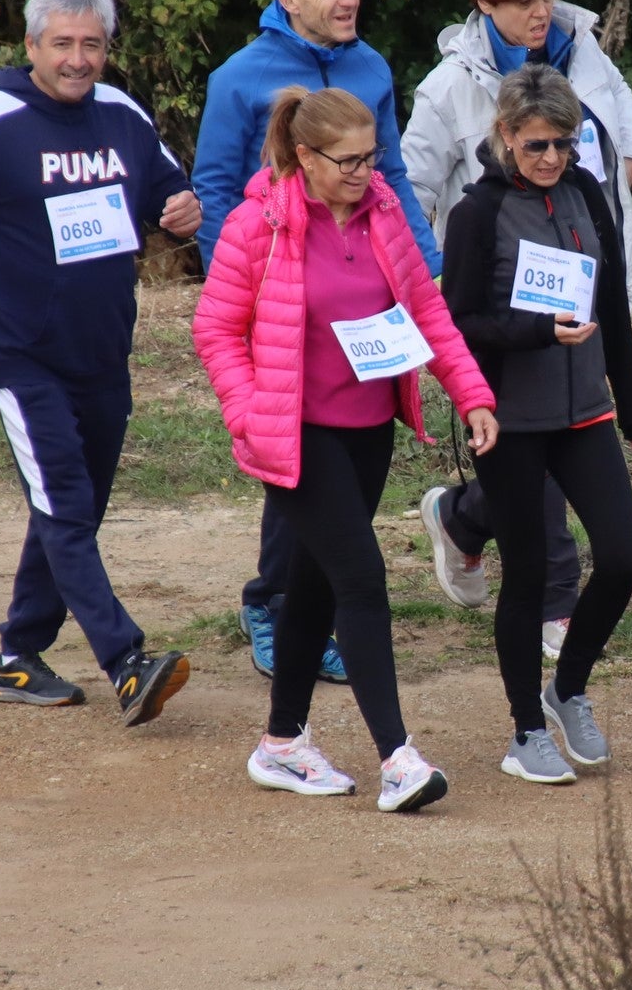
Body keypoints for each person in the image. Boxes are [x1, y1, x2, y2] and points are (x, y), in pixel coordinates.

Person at [0, 0, 198, 724]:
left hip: (103, 353)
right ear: (31, 46)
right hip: (22, 357)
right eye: (62, 43)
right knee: (64, 498)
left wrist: (185, 209)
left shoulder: (123, 116)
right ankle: (126, 660)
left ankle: (18, 655)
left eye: (92, 44)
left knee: (73, 510)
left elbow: (170, 193)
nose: (78, 58)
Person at [193, 85, 498, 812]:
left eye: (372, 157)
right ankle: (398, 760)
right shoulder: (256, 224)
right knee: (361, 578)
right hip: (294, 433)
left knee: (316, 582)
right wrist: (246, 411)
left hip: (368, 430)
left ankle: (282, 744)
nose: (366, 173)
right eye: (349, 161)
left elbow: (426, 309)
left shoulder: (384, 211)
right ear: (305, 156)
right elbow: (215, 330)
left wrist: (471, 392)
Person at [189, 0, 442, 683]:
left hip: (362, 301)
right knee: (295, 454)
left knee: (348, 458)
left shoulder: (370, 67)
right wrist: (245, 297)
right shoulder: (239, 77)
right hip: (281, 303)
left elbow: (392, 175)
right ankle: (270, 605)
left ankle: (310, 605)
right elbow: (213, 189)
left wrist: (426, 275)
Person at [405, 0, 632, 663]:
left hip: (587, 277)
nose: (540, 12)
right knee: (526, 439)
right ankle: (552, 601)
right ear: (484, 4)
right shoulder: (448, 85)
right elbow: (413, 189)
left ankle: (460, 515)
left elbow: (631, 142)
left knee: (554, 446)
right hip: (498, 308)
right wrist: (443, 282)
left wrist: (584, 212)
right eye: (520, 2)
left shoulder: (586, 49)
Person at [439, 66, 632, 785]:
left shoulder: (587, 192)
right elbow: (458, 323)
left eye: (565, 143)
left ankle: (568, 689)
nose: (552, 158)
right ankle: (525, 728)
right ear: (504, 136)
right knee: (528, 574)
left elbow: (613, 300)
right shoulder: (478, 215)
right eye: (536, 146)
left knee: (622, 559)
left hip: (585, 409)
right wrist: (532, 331)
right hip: (510, 418)